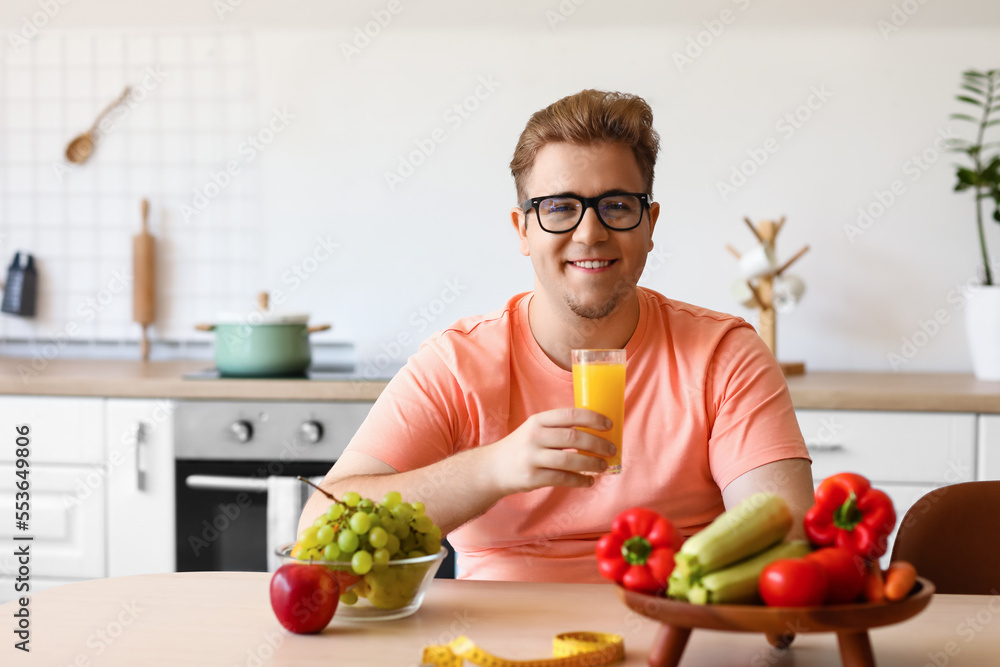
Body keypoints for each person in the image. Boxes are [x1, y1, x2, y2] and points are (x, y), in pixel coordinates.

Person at [299, 89, 814, 583]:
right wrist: (490, 470)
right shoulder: (456, 366)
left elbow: (784, 537)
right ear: (522, 230)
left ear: (650, 224)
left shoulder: (724, 356)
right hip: (499, 644)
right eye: (559, 208)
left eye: (616, 205)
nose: (589, 233)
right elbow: (320, 530)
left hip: (675, 632)